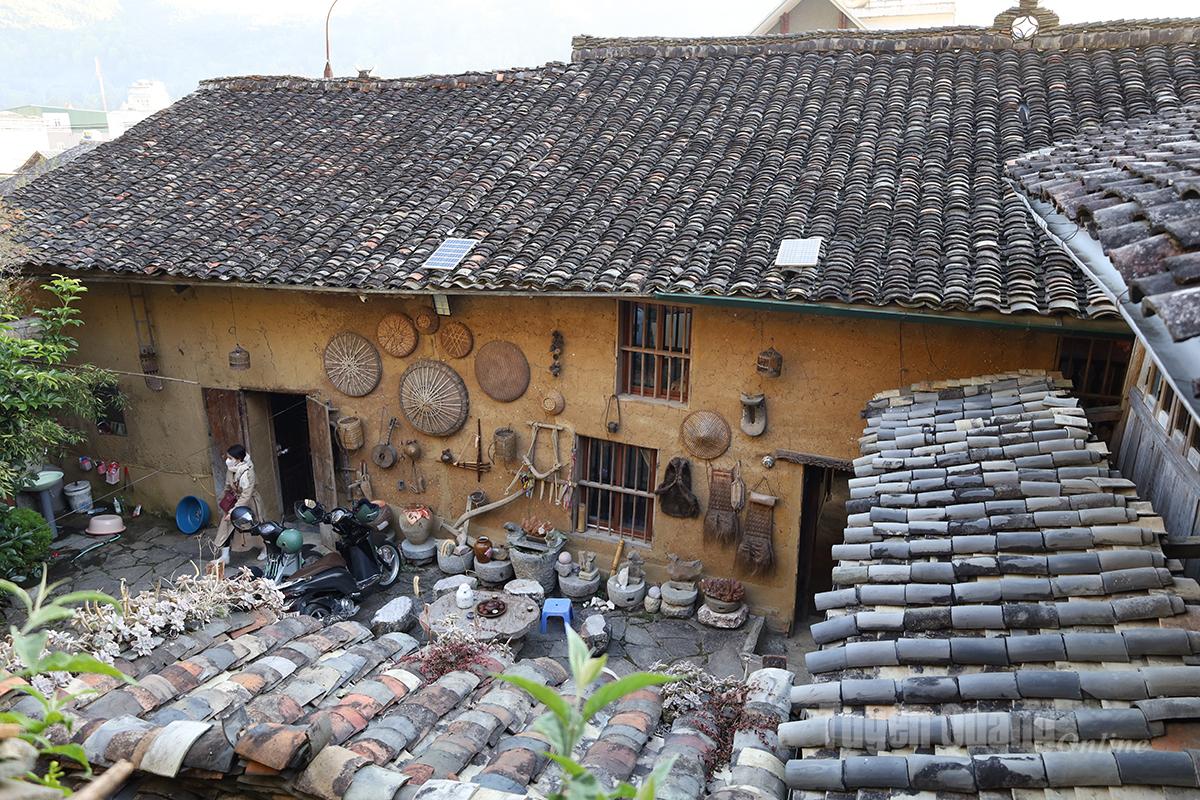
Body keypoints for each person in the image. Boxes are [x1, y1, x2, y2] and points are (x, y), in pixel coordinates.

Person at [213, 444, 265, 563]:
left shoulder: (248, 472)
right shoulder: (231, 470)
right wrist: (224, 500)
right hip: (235, 501)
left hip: (249, 503)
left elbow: (246, 494)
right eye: (228, 457)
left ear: (238, 459)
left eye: (230, 458)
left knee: (255, 527)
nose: (228, 460)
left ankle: (265, 548)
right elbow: (227, 485)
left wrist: (233, 511)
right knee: (225, 527)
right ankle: (225, 556)